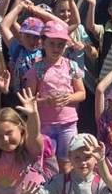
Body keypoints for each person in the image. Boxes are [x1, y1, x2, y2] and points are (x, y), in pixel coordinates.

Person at [23, 19, 87, 172]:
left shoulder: (71, 65)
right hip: (45, 125)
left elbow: (82, 93)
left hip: (68, 123)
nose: (56, 48)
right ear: (43, 43)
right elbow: (28, 100)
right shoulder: (37, 68)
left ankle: (65, 192)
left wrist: (69, 98)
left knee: (68, 162)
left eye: (60, 44)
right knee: (46, 162)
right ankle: (50, 191)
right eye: (52, 43)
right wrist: (45, 101)